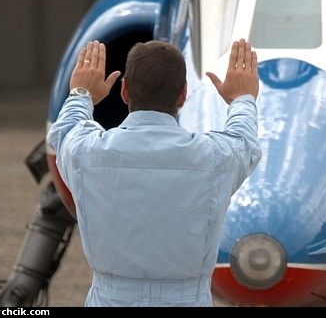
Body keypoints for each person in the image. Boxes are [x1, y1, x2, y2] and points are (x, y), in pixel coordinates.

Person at [46, 38, 262, 307]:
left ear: (124, 91)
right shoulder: (215, 157)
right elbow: (244, 141)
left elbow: (63, 132)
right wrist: (242, 99)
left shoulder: (87, 152)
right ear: (183, 95)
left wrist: (82, 93)